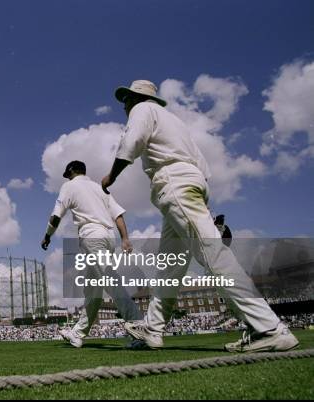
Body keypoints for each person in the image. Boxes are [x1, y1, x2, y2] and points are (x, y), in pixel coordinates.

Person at [101, 79, 299, 353]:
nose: (124, 104)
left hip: (173, 183)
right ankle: (153, 330)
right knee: (170, 266)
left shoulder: (142, 110)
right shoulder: (174, 122)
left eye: (127, 99)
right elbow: (202, 169)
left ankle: (269, 328)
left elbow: (131, 141)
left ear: (137, 98)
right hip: (191, 184)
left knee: (213, 254)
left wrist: (110, 177)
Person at [41, 160, 143, 348]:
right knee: (93, 290)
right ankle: (78, 334)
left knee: (109, 279)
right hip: (108, 236)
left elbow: (56, 215)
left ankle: (139, 326)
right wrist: (125, 238)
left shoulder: (69, 186)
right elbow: (117, 214)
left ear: (71, 172)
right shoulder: (98, 187)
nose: (68, 177)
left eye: (68, 174)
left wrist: (47, 236)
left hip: (91, 236)